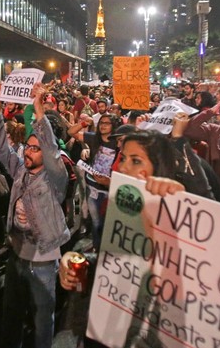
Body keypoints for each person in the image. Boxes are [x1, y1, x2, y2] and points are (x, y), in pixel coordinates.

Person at [57, 130, 187, 347]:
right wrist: (76, 261)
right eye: (123, 158)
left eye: (136, 161)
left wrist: (178, 207)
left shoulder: (179, 215)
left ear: (160, 167)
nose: (123, 167)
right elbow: (114, 262)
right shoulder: (122, 208)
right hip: (106, 331)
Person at [0, 82, 70, 348]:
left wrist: (39, 112)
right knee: (10, 315)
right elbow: (0, 147)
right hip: (17, 256)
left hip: (43, 260)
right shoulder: (20, 170)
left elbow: (51, 149)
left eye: (36, 148)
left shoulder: (55, 178)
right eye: (28, 147)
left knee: (42, 319)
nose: (29, 151)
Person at [67, 112, 121, 250]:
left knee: (108, 224)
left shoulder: (119, 142)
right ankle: (97, 248)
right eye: (101, 123)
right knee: (97, 222)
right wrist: (84, 123)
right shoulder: (93, 138)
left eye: (107, 123)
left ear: (114, 125)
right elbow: (71, 131)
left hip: (110, 188)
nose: (103, 126)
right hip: (93, 187)